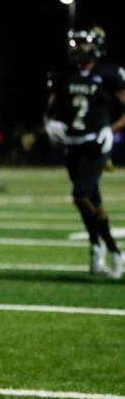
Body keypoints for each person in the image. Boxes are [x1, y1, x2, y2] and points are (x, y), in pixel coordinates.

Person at [44, 26, 125, 278]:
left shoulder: (110, 73)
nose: (78, 49)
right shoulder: (63, 74)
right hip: (73, 143)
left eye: (84, 45)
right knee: (92, 199)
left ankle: (113, 249)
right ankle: (95, 246)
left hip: (97, 144)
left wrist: (111, 129)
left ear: (97, 46)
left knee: (80, 194)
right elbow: (50, 108)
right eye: (76, 44)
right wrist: (49, 123)